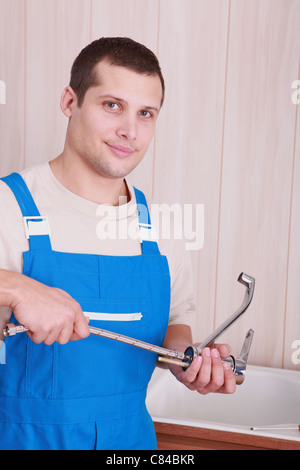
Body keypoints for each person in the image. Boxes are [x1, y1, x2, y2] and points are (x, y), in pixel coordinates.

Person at [0, 37, 236, 450]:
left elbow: (174, 326)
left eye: (146, 113)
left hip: (129, 442)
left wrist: (188, 361)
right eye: (113, 105)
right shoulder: (8, 206)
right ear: (70, 101)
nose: (130, 129)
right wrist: (18, 287)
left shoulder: (162, 227)